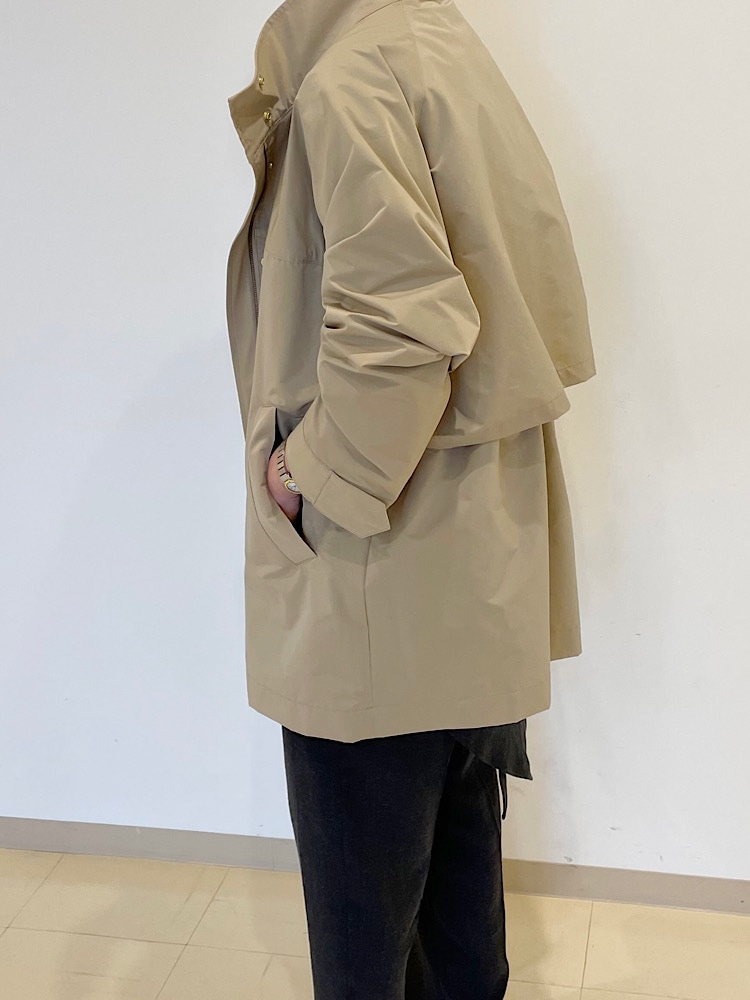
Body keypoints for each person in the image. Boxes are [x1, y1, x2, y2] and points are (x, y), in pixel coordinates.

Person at [225, 0, 596, 996]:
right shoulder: (439, 43)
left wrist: (303, 473)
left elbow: (402, 323)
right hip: (469, 558)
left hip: (378, 567)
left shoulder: (350, 76)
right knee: (458, 909)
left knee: (365, 937)